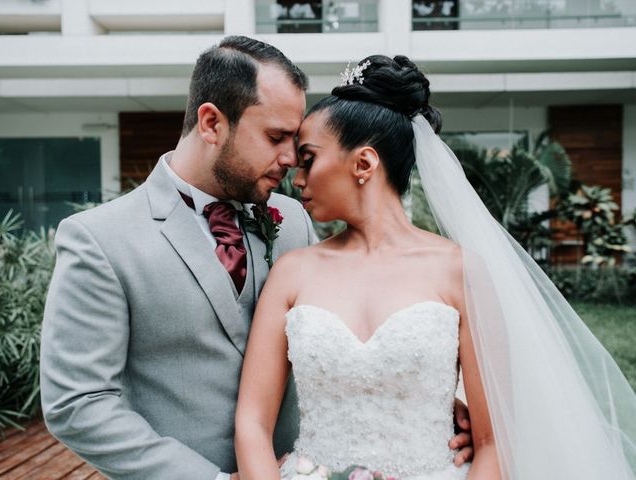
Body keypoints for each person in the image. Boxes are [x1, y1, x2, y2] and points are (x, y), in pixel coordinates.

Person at [40, 37, 473, 480]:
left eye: (297, 142)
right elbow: (78, 404)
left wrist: (421, 398)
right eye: (275, 137)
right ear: (211, 123)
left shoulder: (291, 219)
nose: (289, 159)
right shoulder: (101, 239)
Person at [234, 55, 636, 479]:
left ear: (364, 164)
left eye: (309, 159)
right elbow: (252, 423)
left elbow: (494, 443)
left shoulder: (459, 272)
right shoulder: (292, 273)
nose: (296, 179)